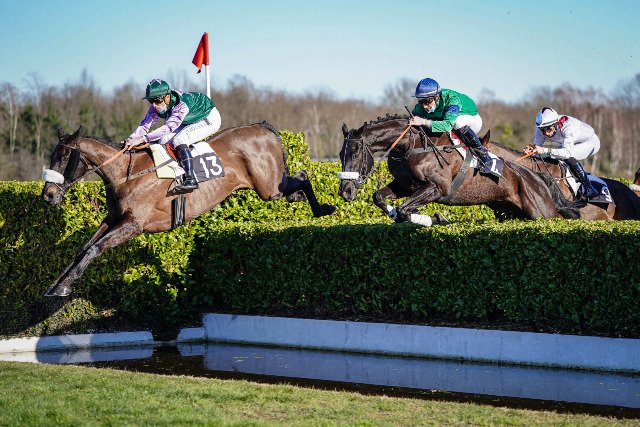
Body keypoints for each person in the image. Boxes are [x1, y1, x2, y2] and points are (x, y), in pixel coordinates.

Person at [124, 79, 221, 192]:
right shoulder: (157, 105)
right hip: (189, 119)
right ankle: (177, 173)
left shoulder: (181, 106)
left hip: (208, 118)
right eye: (151, 101)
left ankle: (191, 179)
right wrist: (131, 139)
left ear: (167, 97)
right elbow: (145, 125)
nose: (154, 105)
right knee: (163, 140)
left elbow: (167, 128)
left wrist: (142, 139)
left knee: (180, 139)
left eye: (157, 101)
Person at [407, 77, 491, 165]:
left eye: (427, 100)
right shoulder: (420, 107)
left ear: (436, 96)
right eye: (421, 101)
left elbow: (447, 126)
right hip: (448, 121)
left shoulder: (452, 99)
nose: (424, 105)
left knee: (457, 122)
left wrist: (424, 122)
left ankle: (481, 152)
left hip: (471, 119)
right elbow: (411, 120)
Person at [523, 107, 600, 200]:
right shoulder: (542, 127)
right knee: (552, 156)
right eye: (543, 130)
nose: (546, 133)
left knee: (566, 155)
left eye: (548, 129)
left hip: (590, 142)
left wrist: (544, 150)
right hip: (571, 143)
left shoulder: (568, 126)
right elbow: (536, 148)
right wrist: (530, 151)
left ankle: (589, 188)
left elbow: (567, 153)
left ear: (555, 123)